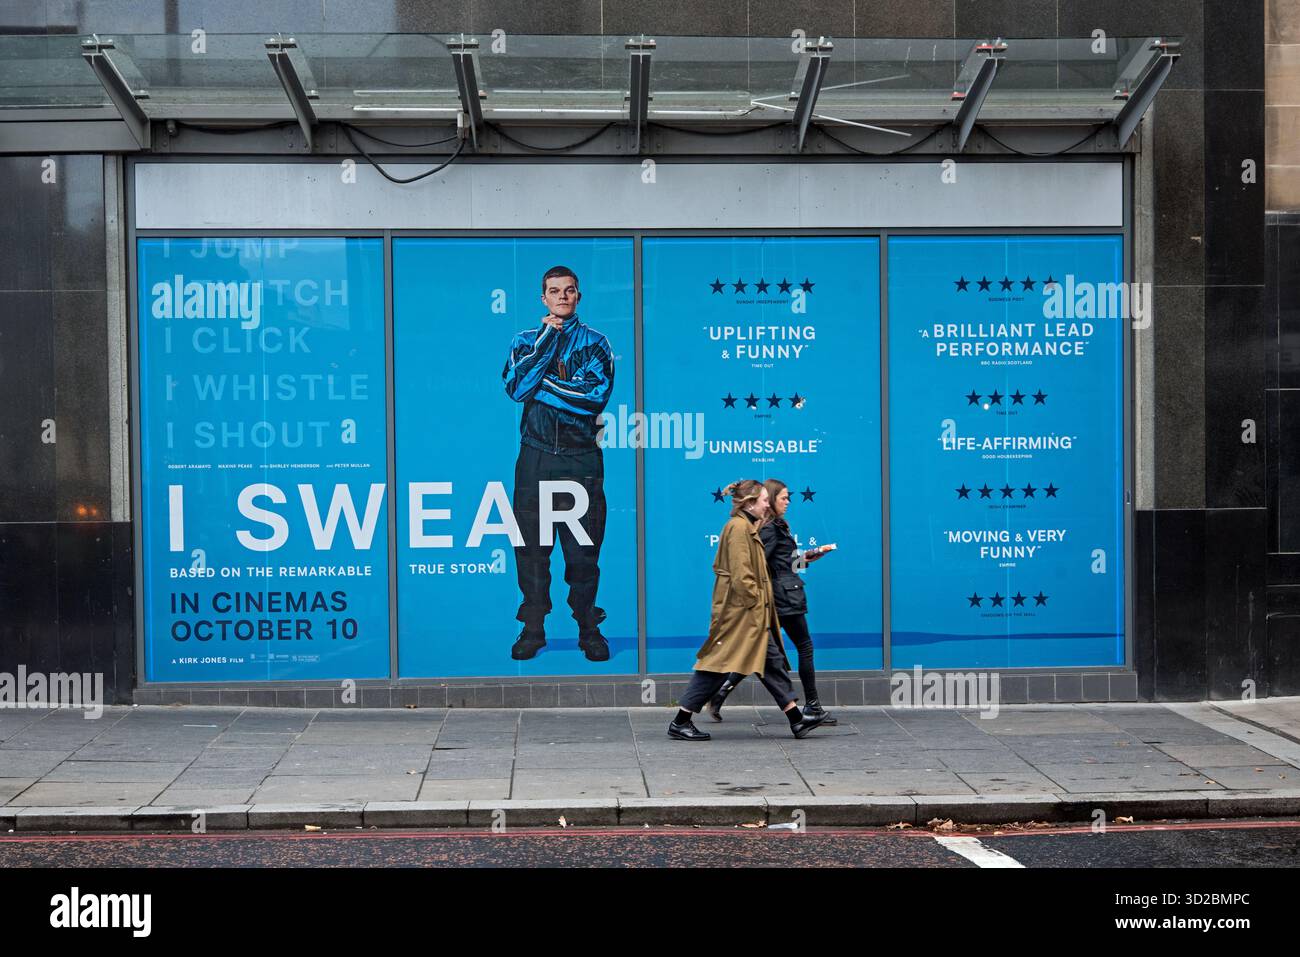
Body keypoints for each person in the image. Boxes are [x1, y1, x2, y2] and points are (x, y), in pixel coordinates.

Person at [502, 265, 614, 662]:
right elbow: (516, 389)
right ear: (543, 298)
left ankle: (588, 628)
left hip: (581, 458)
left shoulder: (597, 342)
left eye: (569, 290)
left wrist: (537, 381)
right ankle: (533, 628)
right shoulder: (525, 339)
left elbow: (592, 398)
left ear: (578, 296)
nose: (562, 296)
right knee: (531, 549)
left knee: (584, 551)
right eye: (554, 291)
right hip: (534, 457)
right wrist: (548, 341)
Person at [667, 479, 829, 741]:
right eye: (766, 500)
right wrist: (757, 603)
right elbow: (743, 577)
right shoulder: (739, 529)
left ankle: (796, 719)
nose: (769, 505)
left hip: (749, 612)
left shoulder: (747, 527)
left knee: (771, 662)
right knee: (715, 666)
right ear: (750, 502)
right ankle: (681, 720)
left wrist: (802, 561)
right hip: (741, 614)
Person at [707, 478, 836, 724]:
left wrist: (808, 557)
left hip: (782, 593)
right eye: (783, 497)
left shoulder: (775, 526)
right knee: (802, 647)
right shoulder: (770, 528)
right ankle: (812, 706)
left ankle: (721, 692)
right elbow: (759, 563)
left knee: (761, 651)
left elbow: (780, 562)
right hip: (783, 597)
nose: (788, 502)